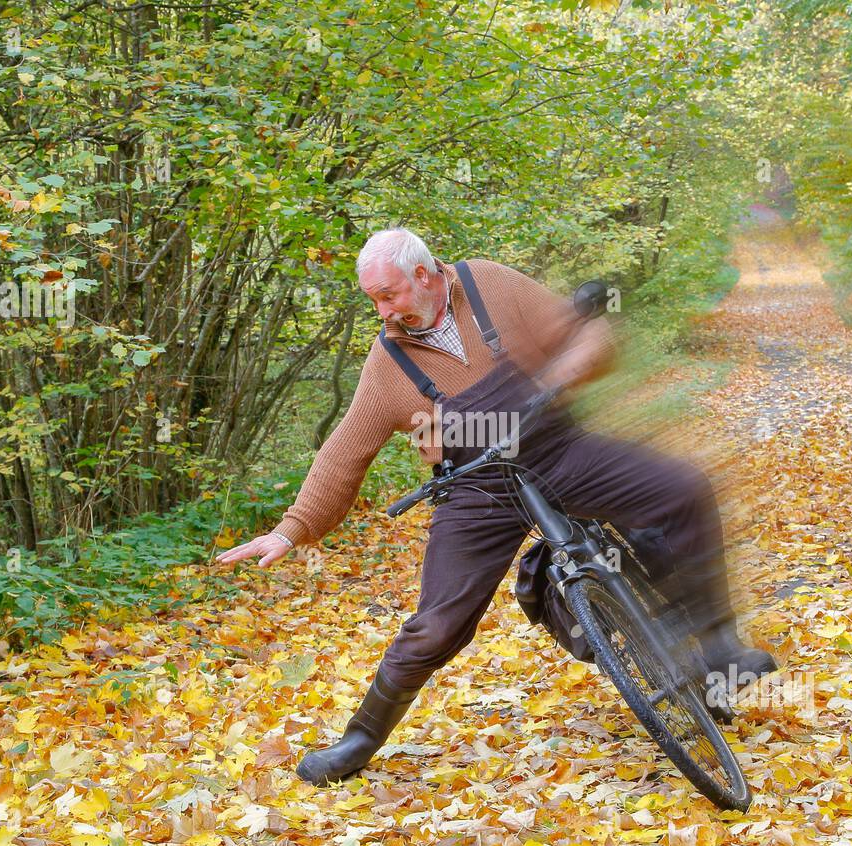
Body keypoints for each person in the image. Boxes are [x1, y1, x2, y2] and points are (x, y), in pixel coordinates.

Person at [216, 227, 775, 786]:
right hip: (475, 488)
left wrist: (559, 376)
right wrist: (290, 531)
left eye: (389, 295)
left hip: (558, 449)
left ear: (424, 274)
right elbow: (345, 449)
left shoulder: (490, 283)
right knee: (436, 624)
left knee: (683, 489)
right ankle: (359, 739)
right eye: (373, 300)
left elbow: (587, 334)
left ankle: (721, 644)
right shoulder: (387, 364)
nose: (382, 311)